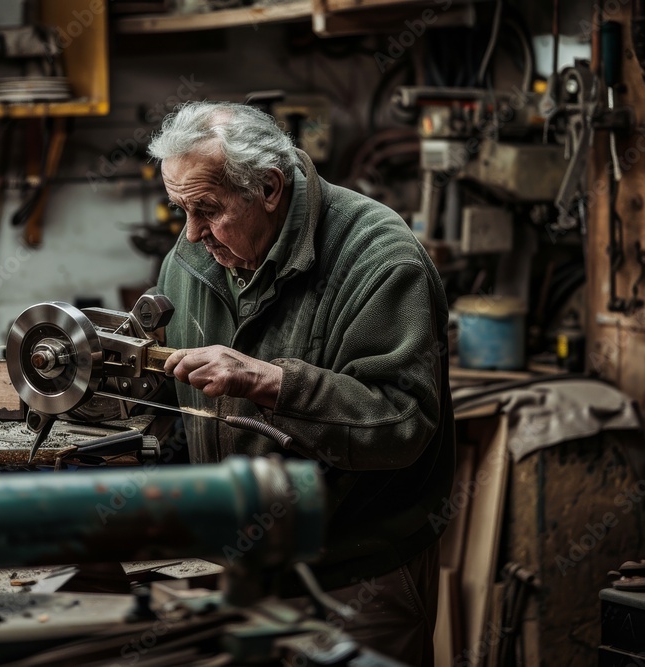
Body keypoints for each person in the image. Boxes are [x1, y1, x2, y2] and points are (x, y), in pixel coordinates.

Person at [147, 101, 455, 665]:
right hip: (234, 567)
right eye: (179, 210)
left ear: (268, 187)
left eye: (207, 211)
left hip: (352, 573)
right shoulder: (191, 259)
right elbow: (172, 407)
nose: (190, 235)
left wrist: (270, 381)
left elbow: (402, 424)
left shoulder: (379, 258)